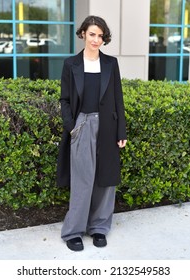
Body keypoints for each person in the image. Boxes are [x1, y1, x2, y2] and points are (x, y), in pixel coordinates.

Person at [57, 15, 127, 251]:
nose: (96, 39)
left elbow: (118, 99)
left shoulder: (111, 63)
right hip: (82, 125)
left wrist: (121, 131)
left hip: (108, 126)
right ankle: (74, 231)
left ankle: (99, 227)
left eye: (100, 35)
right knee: (83, 181)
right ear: (83, 34)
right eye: (92, 34)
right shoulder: (71, 64)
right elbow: (65, 100)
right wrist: (72, 126)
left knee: (105, 180)